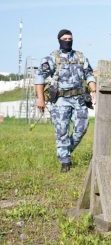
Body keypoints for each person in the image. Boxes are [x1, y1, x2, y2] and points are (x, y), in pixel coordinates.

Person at [35, 29, 96, 172]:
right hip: (60, 100)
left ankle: (65, 150)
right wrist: (40, 99)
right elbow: (40, 78)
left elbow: (89, 74)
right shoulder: (51, 58)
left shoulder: (80, 56)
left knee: (82, 127)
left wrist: (93, 91)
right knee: (61, 131)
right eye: (65, 38)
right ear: (59, 40)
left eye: (70, 38)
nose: (68, 41)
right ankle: (65, 162)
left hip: (79, 99)